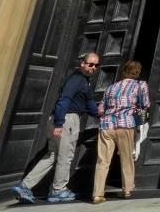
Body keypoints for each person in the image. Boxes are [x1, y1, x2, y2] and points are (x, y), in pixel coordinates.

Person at [11, 52, 101, 204]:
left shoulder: (83, 82)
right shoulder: (77, 79)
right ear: (83, 63)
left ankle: (25, 186)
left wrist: (101, 113)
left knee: (52, 155)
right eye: (90, 64)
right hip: (67, 120)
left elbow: (89, 104)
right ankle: (58, 191)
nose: (93, 67)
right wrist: (59, 124)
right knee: (65, 157)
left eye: (96, 65)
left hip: (60, 118)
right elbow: (64, 100)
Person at [92, 60, 149, 203]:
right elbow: (146, 104)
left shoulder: (111, 87)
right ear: (137, 72)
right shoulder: (140, 86)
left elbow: (100, 110)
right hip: (126, 124)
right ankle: (127, 190)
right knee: (126, 158)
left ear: (124, 71)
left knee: (103, 161)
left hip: (107, 125)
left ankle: (97, 194)